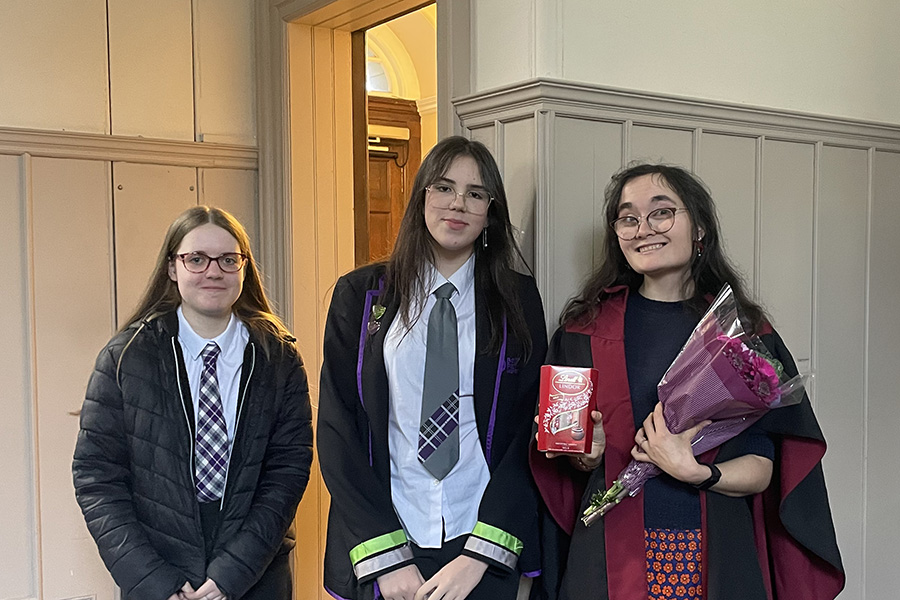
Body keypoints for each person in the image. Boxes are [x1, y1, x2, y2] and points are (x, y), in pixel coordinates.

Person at [531, 164, 844, 600]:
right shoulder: (583, 331)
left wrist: (694, 470)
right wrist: (587, 454)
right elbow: (565, 463)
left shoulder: (743, 334)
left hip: (717, 552)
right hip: (609, 558)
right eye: (628, 218)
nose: (643, 229)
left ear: (699, 227)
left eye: (661, 213)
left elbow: (764, 469)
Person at [318, 136, 547, 600]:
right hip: (389, 536)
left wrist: (480, 554)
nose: (457, 204)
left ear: (490, 213)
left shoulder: (517, 299)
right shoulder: (361, 296)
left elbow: (528, 429)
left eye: (476, 194)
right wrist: (387, 559)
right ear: (422, 197)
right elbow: (337, 429)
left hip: (480, 537)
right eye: (444, 187)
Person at [73, 206, 313, 600]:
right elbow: (96, 477)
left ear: (244, 268)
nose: (213, 271)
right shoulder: (127, 356)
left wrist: (232, 575)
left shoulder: (278, 357)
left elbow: (287, 472)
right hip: (159, 576)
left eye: (228, 259)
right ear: (172, 267)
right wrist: (153, 580)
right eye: (196, 259)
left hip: (255, 575)